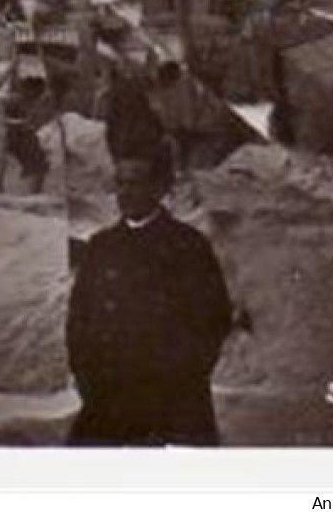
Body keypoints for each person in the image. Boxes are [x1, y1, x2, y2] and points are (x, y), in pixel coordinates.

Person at [66, 148, 234, 446]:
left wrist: (183, 375)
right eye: (120, 183)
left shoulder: (187, 246)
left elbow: (213, 319)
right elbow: (79, 320)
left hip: (171, 402)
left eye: (136, 183)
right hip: (108, 396)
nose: (125, 193)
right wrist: (87, 376)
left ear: (158, 189)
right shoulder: (102, 246)